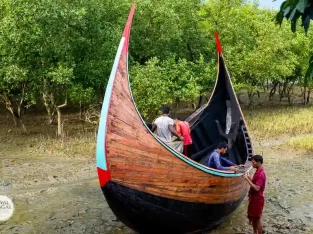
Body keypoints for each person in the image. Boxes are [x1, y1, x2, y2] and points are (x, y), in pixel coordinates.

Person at [243, 155, 267, 234]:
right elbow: (255, 184)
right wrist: (250, 178)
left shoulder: (261, 174)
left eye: (253, 162)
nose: (252, 164)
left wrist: (247, 180)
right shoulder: (258, 170)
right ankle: (254, 232)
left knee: (257, 219)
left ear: (258, 162)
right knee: (253, 218)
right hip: (254, 199)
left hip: (258, 199)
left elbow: (257, 188)